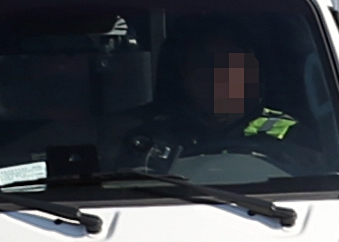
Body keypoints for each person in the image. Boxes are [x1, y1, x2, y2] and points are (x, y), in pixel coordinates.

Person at [123, 23, 302, 188]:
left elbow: (312, 188)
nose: (223, 77)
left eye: (234, 66)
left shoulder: (292, 133)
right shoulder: (148, 137)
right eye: (209, 67)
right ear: (184, 76)